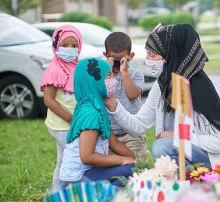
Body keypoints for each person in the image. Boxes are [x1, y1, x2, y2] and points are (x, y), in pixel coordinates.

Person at [104, 23, 220, 168]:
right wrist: (114, 105)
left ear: (170, 55)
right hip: (182, 154)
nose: (147, 60)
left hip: (211, 161)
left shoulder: (203, 89)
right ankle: (179, 182)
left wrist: (178, 136)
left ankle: (196, 180)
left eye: (152, 55)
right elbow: (138, 126)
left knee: (161, 148)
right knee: (162, 147)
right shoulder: (162, 87)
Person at [59, 58, 136, 188]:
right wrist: (123, 160)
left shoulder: (96, 106)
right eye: (108, 76)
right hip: (74, 182)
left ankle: (105, 201)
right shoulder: (91, 113)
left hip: (87, 174)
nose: (113, 80)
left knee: (133, 169)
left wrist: (138, 161)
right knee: (129, 171)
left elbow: (115, 144)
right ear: (94, 81)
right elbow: (87, 157)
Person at [40, 25, 82, 192]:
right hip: (62, 125)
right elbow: (49, 100)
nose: (69, 50)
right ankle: (71, 191)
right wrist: (71, 119)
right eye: (64, 45)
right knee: (75, 158)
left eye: (74, 46)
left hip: (71, 124)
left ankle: (57, 191)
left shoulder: (77, 66)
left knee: (63, 159)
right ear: (56, 45)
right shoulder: (54, 69)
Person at [103, 32, 147, 159]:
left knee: (137, 167)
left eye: (121, 61)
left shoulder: (135, 74)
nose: (117, 65)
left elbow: (133, 95)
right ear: (106, 56)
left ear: (131, 56)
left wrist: (124, 73)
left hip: (132, 134)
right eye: (114, 61)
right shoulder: (101, 75)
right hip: (109, 134)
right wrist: (107, 69)